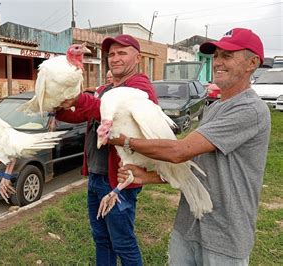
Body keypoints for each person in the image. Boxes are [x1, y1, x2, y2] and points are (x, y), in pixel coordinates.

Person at [112, 28, 270, 265]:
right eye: (215, 55)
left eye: (227, 56)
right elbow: (194, 165)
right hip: (189, 223)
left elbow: (179, 152)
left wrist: (124, 140)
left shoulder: (251, 109)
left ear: (252, 63)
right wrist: (147, 177)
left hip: (224, 235)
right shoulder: (215, 107)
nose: (217, 62)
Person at [57, 34, 157, 265]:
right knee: (101, 238)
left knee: (123, 242)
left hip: (118, 180)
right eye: (111, 54)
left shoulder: (140, 86)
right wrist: (58, 107)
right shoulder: (106, 90)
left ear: (138, 57)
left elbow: (108, 111)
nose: (115, 58)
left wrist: (78, 99)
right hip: (96, 176)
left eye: (122, 53)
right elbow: (83, 113)